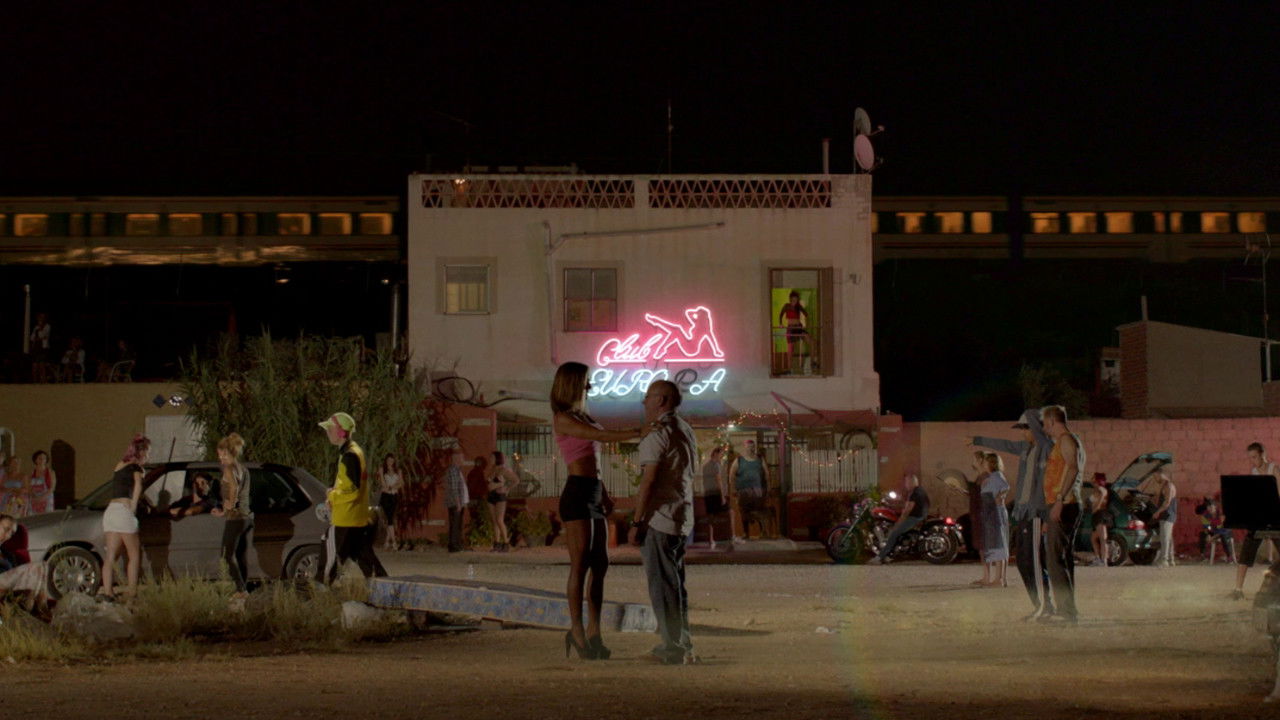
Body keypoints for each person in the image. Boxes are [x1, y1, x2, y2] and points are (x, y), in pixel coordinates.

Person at [550, 361, 639, 660]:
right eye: (586, 381)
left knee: (600, 564)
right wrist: (639, 431)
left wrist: (605, 493)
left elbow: (594, 458)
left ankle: (594, 631)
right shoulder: (563, 418)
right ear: (572, 384)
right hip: (577, 492)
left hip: (593, 490)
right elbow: (600, 438)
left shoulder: (583, 416)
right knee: (580, 564)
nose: (590, 386)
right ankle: (576, 630)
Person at [634, 380, 699, 665]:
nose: (644, 402)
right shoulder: (684, 429)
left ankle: (671, 647)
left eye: (648, 396)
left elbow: (648, 481)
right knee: (676, 585)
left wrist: (637, 521)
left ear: (661, 400)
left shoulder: (657, 432)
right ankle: (682, 642)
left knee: (662, 586)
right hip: (681, 515)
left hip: (660, 518)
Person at [973, 409, 1055, 618]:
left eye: (1025, 428)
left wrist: (1047, 514)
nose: (1022, 433)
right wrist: (977, 440)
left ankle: (1044, 606)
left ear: (1034, 428)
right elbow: (1005, 445)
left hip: (1037, 512)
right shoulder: (1026, 449)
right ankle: (1040, 604)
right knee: (1022, 561)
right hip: (1024, 512)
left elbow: (1051, 483)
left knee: (1034, 562)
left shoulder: (1046, 448)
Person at [317, 412, 386, 583]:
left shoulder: (349, 455)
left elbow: (353, 491)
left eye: (330, 429)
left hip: (345, 518)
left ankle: (319, 589)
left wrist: (332, 495)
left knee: (328, 555)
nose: (327, 432)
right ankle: (384, 586)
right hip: (356, 517)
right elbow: (350, 486)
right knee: (364, 556)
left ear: (341, 432)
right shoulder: (354, 452)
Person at [1040, 405, 1085, 624]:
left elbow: (1073, 468)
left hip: (1065, 504)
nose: (1043, 427)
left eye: (1044, 423)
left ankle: (1066, 611)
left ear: (1051, 421)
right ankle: (1068, 609)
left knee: (1055, 559)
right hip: (1062, 504)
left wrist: (1059, 500)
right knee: (1062, 558)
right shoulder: (1066, 441)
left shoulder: (1066, 440)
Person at [101, 434, 148, 601]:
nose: (148, 455)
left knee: (110, 556)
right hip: (124, 511)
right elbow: (138, 486)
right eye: (147, 452)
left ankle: (108, 593)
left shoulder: (120, 465)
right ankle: (132, 592)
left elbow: (121, 486)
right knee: (133, 555)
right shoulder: (136, 468)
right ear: (141, 452)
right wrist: (133, 507)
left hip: (111, 511)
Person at [1233, 442, 1280, 599]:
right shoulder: (1254, 472)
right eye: (1250, 458)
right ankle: (1238, 590)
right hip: (1259, 518)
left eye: (1254, 457)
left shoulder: (1274, 470)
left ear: (1262, 455)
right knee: (1246, 551)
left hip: (1276, 517)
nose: (1252, 461)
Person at [215, 433, 253, 598]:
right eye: (219, 455)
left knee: (226, 555)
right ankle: (243, 589)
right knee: (239, 555)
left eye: (222, 455)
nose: (220, 458)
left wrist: (231, 502)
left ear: (229, 453)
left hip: (235, 518)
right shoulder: (243, 468)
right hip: (246, 518)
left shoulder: (229, 469)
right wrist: (223, 511)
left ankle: (241, 590)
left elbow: (234, 487)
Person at [870, 473, 929, 564]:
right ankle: (890, 554)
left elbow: (907, 511)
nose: (905, 485)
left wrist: (899, 522)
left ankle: (880, 557)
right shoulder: (921, 491)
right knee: (896, 530)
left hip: (914, 518)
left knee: (894, 533)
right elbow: (908, 506)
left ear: (911, 482)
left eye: (906, 482)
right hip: (920, 516)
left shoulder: (915, 493)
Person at [0, 514, 48, 609]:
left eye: (11, 533)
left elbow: (17, 576)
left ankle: (37, 607)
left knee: (44, 566)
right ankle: (40, 609)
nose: (8, 535)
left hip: (9, 589)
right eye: (5, 529)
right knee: (37, 567)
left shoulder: (9, 555)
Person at [729, 439, 771, 538]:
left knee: (759, 510)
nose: (751, 449)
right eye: (749, 447)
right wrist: (733, 488)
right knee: (744, 511)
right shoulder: (739, 460)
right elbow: (732, 474)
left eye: (752, 447)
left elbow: (766, 474)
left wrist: (768, 487)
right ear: (745, 447)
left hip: (757, 491)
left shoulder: (760, 459)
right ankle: (746, 533)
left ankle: (763, 531)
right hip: (743, 491)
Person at [979, 453, 1010, 587]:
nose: (984, 464)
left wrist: (1000, 496)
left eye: (986, 462)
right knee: (997, 543)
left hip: (996, 513)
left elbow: (1005, 486)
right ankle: (1000, 579)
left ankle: (999, 579)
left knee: (999, 544)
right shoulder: (991, 477)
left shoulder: (997, 476)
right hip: (992, 512)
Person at [486, 451, 518, 552]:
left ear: (497, 458)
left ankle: (506, 543)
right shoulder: (492, 469)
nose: (490, 459)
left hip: (500, 497)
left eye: (492, 458)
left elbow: (516, 480)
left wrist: (507, 489)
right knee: (494, 521)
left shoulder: (504, 470)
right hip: (491, 496)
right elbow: (489, 484)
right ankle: (497, 543)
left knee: (499, 520)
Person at [698, 446, 728, 549]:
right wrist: (722, 496)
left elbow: (704, 481)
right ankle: (731, 536)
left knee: (710, 517)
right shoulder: (716, 466)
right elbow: (718, 480)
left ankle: (711, 540)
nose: (721, 457)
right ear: (715, 454)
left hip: (708, 493)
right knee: (730, 512)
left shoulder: (705, 466)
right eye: (721, 454)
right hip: (715, 493)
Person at [967, 450, 989, 585]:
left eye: (975, 459)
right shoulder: (980, 476)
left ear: (981, 461)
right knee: (981, 547)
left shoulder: (985, 476)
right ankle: (986, 575)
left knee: (985, 546)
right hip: (977, 513)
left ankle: (989, 576)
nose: (973, 462)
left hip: (982, 514)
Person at [777, 290, 811, 374]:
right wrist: (780, 324)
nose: (794, 302)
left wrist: (806, 324)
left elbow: (806, 314)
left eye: (796, 300)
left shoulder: (798, 306)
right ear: (790, 299)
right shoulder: (787, 306)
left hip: (798, 326)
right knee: (790, 348)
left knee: (810, 341)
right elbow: (781, 314)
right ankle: (789, 368)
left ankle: (812, 362)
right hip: (791, 327)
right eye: (793, 300)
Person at [443, 447, 469, 553]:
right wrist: (458, 502)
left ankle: (456, 544)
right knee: (455, 524)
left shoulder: (457, 470)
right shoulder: (453, 470)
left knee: (457, 524)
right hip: (455, 503)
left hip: (458, 502)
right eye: (462, 458)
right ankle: (454, 545)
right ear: (456, 458)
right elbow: (454, 488)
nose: (463, 460)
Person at [1151, 470, 1178, 567]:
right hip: (1165, 515)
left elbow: (1167, 502)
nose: (1155, 479)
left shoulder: (1169, 486)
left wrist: (1157, 512)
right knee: (1168, 538)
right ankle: (1171, 559)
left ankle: (1164, 560)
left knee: (1165, 538)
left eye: (1155, 476)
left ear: (1160, 475)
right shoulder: (1165, 486)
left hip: (1168, 515)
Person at [377, 454, 403, 552]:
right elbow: (383, 484)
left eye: (392, 460)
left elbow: (401, 483)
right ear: (386, 461)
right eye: (388, 460)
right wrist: (381, 473)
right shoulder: (383, 470)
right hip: (386, 497)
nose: (390, 462)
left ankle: (387, 542)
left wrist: (393, 487)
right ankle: (394, 542)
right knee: (390, 519)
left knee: (390, 519)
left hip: (394, 496)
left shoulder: (398, 470)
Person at [1197, 497, 1235, 563]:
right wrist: (1208, 533)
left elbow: (1223, 528)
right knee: (1202, 534)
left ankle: (1229, 557)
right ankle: (1202, 555)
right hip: (1214, 531)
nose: (1210, 509)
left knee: (1223, 535)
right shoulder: (1205, 516)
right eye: (1208, 507)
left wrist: (1213, 537)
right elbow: (1207, 526)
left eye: (1212, 507)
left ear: (1215, 507)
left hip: (1226, 531)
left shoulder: (1221, 514)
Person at [1089, 474, 1113, 567]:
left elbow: (1103, 494)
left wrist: (1097, 506)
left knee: (1103, 538)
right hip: (1096, 516)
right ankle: (1098, 558)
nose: (1092, 480)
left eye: (1093, 478)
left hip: (1101, 515)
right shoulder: (1095, 490)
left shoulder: (1101, 489)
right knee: (1093, 538)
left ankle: (1104, 560)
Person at [27, 449, 56, 515]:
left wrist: (42, 498)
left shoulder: (50, 472)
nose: (42, 460)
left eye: (44, 458)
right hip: (34, 499)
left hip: (46, 498)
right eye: (40, 458)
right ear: (35, 460)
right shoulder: (32, 473)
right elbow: (29, 487)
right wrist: (34, 497)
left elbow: (52, 488)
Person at [0, 453, 28, 517]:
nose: (16, 464)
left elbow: (26, 489)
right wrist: (8, 490)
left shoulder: (23, 476)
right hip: (5, 500)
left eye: (18, 462)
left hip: (18, 500)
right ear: (10, 464)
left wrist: (16, 490)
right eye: (14, 462)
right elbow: (1, 488)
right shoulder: (5, 475)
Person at [29, 312, 52, 383]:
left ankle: (43, 382)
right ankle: (35, 382)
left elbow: (43, 335)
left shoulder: (47, 326)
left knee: (42, 365)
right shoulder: (36, 327)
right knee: (34, 366)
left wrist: (40, 329)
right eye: (40, 317)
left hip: (43, 348)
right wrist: (37, 337)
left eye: (42, 317)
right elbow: (32, 338)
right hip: (36, 348)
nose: (41, 318)